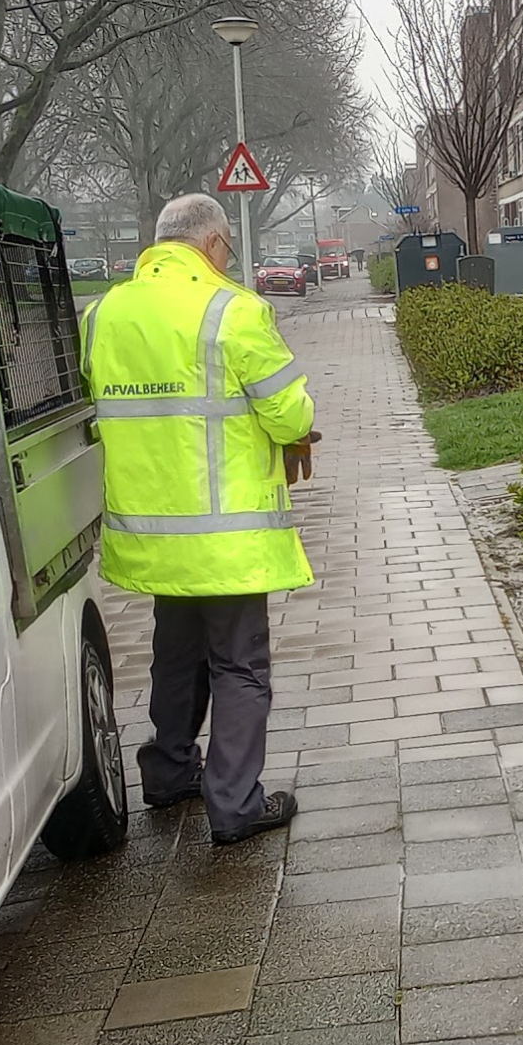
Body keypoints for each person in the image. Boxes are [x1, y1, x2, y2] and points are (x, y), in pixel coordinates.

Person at [83, 194, 320, 845]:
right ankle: (235, 803)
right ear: (213, 244)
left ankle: (166, 773)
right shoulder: (233, 311)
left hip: (151, 535)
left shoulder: (103, 313)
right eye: (228, 251)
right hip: (228, 536)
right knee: (239, 665)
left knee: (175, 653)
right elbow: (290, 417)